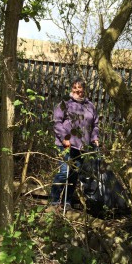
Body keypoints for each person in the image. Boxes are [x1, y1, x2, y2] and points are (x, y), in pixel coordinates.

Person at [50, 77, 99, 210]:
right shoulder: (64, 103)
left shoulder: (90, 106)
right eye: (74, 88)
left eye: (80, 88)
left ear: (84, 90)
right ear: (71, 89)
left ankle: (67, 202)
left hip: (82, 146)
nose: (77, 90)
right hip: (65, 144)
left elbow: (95, 125)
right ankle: (54, 202)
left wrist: (95, 138)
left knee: (74, 174)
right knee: (64, 171)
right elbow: (57, 122)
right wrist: (64, 138)